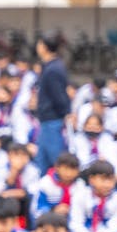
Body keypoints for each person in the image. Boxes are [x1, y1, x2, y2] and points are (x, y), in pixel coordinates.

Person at [35, 31, 70, 172]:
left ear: (44, 47)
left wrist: (65, 113)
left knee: (56, 162)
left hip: (53, 120)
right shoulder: (49, 66)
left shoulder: (53, 69)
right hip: (46, 121)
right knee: (41, 161)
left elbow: (59, 96)